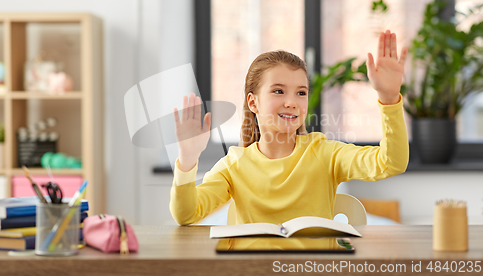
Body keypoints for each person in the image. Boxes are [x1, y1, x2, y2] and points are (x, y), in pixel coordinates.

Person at [170, 30, 409, 225]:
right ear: (253, 102)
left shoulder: (324, 153)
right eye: (278, 91)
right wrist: (188, 160)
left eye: (301, 93)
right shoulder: (234, 165)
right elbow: (187, 214)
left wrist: (389, 99)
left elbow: (391, 163)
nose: (292, 102)